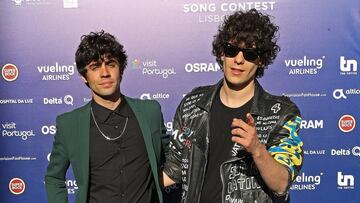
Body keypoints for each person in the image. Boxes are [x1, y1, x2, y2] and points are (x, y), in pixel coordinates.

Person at [163, 9, 303, 203]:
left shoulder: (281, 113)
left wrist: (257, 149)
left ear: (261, 60)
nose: (238, 59)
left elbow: (281, 184)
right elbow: (175, 170)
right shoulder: (193, 104)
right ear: (222, 53)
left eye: (250, 54)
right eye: (231, 50)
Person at [45, 31, 168, 203]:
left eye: (111, 64)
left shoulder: (150, 112)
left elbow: (173, 161)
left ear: (121, 69)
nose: (105, 73)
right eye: (95, 67)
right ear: (83, 77)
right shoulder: (69, 124)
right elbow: (54, 178)